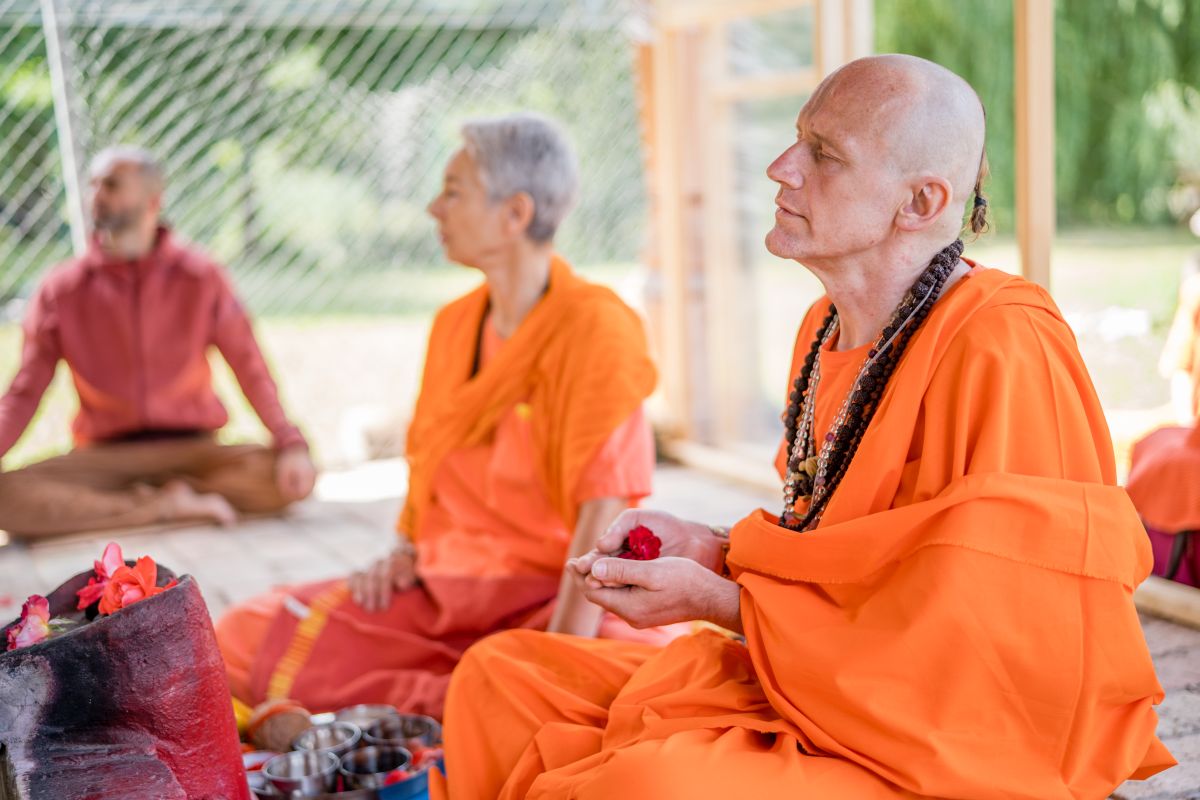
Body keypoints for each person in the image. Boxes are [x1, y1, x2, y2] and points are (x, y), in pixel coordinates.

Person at [433, 55, 1175, 799]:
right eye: (796, 139)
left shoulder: (1004, 344)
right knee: (501, 678)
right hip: (810, 684)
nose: (781, 168)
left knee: (642, 784)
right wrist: (716, 552)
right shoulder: (822, 330)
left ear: (919, 202)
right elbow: (837, 555)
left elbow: (990, 646)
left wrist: (721, 602)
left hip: (941, 740)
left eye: (824, 153)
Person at [215, 113, 682, 719]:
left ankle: (461, 703)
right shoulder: (453, 325)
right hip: (444, 591)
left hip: (553, 594)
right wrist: (406, 548)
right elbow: (432, 456)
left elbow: (605, 512)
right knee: (241, 636)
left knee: (641, 683)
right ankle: (459, 704)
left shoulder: (598, 328)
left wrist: (554, 662)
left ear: (515, 214)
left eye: (453, 191)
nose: (434, 208)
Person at [0, 146, 315, 538]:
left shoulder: (202, 276)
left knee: (283, 475)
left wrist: (290, 442)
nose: (95, 195)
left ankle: (139, 507)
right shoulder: (62, 289)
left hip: (194, 451)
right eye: (93, 184)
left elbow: (249, 365)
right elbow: (25, 391)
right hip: (105, 458)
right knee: (5, 496)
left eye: (111, 185)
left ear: (154, 200)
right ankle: (168, 506)